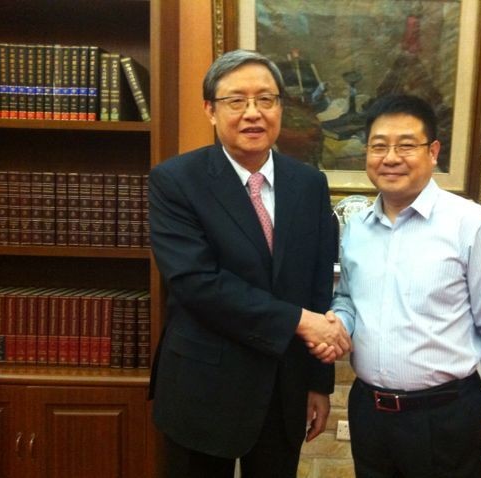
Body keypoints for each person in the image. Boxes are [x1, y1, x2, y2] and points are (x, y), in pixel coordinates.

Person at [148, 49, 351, 478]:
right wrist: (299, 321)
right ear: (210, 109)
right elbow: (197, 283)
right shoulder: (176, 181)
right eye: (236, 100)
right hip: (202, 387)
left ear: (280, 107)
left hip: (284, 387)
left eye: (266, 99)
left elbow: (318, 284)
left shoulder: (309, 184)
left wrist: (318, 382)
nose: (253, 113)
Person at [329, 94, 481, 477]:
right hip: (370, 412)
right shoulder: (356, 229)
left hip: (446, 415)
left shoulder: (473, 226)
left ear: (433, 152)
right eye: (379, 146)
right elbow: (349, 298)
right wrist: (338, 323)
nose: (390, 158)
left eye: (406, 145)